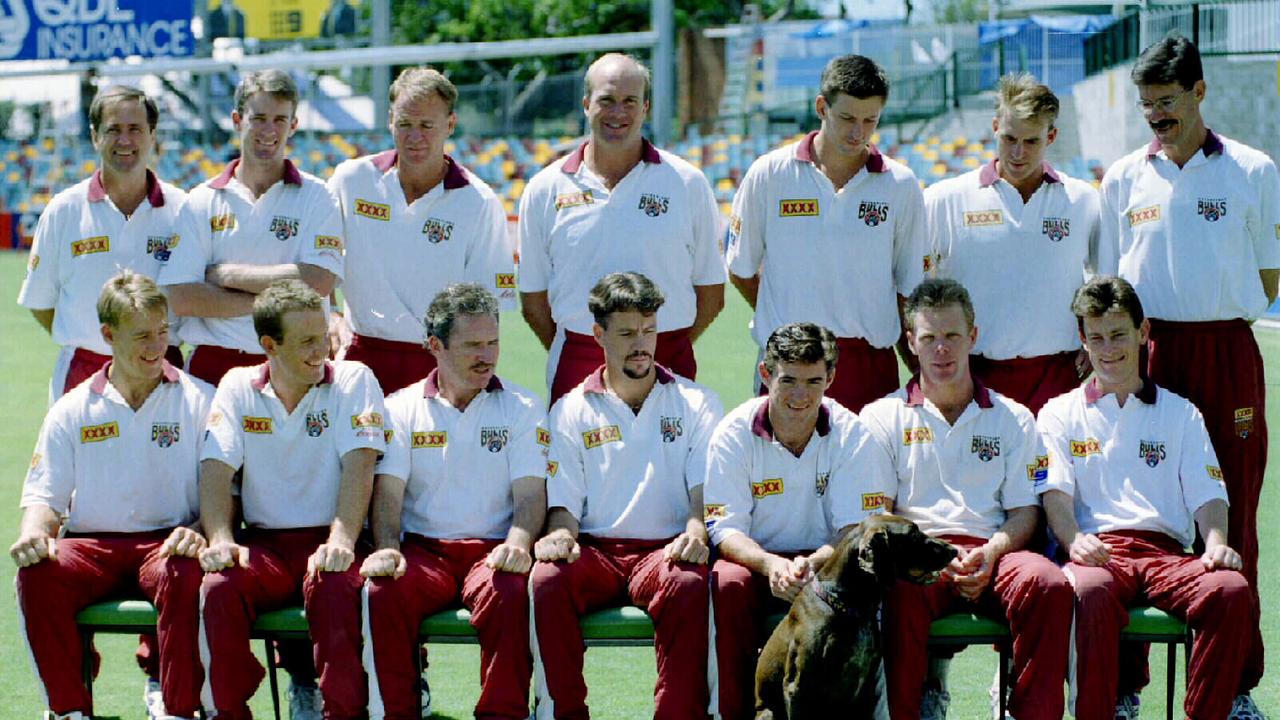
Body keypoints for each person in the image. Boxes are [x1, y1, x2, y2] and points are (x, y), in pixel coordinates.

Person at [1097, 35, 1275, 710]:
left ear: (1200, 91)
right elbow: (1109, 279)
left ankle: (1232, 688)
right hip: (1150, 356)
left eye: (1167, 103)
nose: (1155, 117)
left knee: (1232, 519)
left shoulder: (1252, 169)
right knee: (1138, 517)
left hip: (1226, 353)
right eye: (1146, 105)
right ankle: (1125, 686)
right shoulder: (1122, 177)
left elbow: (1267, 275)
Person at [1038, 275, 1257, 720]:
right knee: (1089, 589)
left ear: (1143, 333)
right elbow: (1054, 494)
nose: (1108, 348)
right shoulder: (1059, 412)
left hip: (1166, 555)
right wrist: (1073, 538)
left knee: (1230, 589)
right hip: (1099, 552)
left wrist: (1215, 545)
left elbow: (1209, 495)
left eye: (1119, 334)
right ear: (1082, 340)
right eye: (1096, 337)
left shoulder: (1181, 412)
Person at [860, 278, 1071, 720]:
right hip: (919, 556)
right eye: (930, 337)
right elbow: (879, 516)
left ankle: (1026, 710)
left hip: (995, 552)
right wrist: (935, 554)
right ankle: (910, 709)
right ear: (910, 342)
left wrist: (993, 551)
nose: (942, 349)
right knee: (896, 590)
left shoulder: (1013, 417)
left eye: (952, 336)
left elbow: (1024, 512)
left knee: (1047, 583)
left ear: (972, 337)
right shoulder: (880, 417)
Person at [13, 270, 212, 720]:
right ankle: (69, 710)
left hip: (168, 541)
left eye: (163, 332)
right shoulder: (72, 408)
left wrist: (200, 530)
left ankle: (177, 709)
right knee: (37, 574)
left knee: (187, 570)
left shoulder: (201, 399)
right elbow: (45, 497)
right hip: (91, 545)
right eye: (142, 335)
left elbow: (227, 494)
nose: (156, 346)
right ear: (108, 334)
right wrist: (34, 536)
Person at [531, 271, 723, 719]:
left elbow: (703, 494)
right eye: (626, 333)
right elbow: (564, 509)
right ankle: (565, 713)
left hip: (665, 550)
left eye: (649, 330)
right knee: (546, 579)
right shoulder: (570, 408)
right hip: (595, 552)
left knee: (689, 581)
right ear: (598, 334)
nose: (641, 344)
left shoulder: (697, 403)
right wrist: (560, 538)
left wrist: (696, 534)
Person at [196, 280, 385, 720]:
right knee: (218, 586)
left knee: (334, 584)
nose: (321, 349)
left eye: (323, 336)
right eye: (306, 342)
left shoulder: (354, 377)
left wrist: (341, 539)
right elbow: (215, 467)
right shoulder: (237, 384)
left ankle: (339, 710)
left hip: (335, 537)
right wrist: (221, 539)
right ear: (269, 345)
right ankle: (229, 711)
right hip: (267, 545)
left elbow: (361, 463)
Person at [360, 283, 545, 719]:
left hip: (494, 550)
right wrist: (387, 549)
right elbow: (388, 496)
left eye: (493, 342)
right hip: (425, 552)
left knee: (511, 590)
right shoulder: (401, 407)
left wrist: (518, 544)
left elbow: (531, 495)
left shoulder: (522, 406)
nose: (487, 355)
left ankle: (503, 714)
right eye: (473, 345)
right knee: (381, 590)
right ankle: (397, 711)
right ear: (435, 346)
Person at [703, 321, 896, 720]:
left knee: (871, 580)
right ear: (765, 374)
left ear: (831, 378)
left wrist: (813, 565)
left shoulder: (852, 434)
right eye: (788, 379)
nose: (799, 395)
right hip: (756, 564)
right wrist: (771, 565)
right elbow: (725, 529)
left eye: (813, 381)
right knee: (725, 582)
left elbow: (853, 531)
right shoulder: (732, 434)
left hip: (827, 567)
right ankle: (730, 710)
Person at [518, 53, 726, 404]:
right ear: (586, 104)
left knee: (670, 460)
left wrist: (653, 342)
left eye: (630, 101)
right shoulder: (544, 188)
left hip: (667, 357)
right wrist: (594, 341)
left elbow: (711, 293)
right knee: (575, 461)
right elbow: (534, 301)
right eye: (606, 100)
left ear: (645, 107)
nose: (618, 112)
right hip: (580, 356)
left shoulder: (687, 182)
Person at [725, 54, 926, 412]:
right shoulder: (769, 174)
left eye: (870, 121)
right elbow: (740, 269)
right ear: (822, 106)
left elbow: (907, 291)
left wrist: (918, 371)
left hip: (870, 367)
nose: (857, 132)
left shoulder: (901, 185)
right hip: (789, 361)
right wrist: (783, 318)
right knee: (782, 467)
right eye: (847, 117)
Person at [328, 66, 514, 394]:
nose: (415, 137)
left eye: (427, 125)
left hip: (439, 364)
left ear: (450, 124)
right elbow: (315, 256)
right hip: (359, 359)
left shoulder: (479, 201)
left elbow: (489, 303)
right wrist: (330, 313)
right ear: (390, 120)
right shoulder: (351, 180)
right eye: (405, 124)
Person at [924, 73, 1102, 414]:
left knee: (1053, 470)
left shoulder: (1082, 202)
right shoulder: (945, 200)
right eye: (1009, 138)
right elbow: (913, 287)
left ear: (1051, 136)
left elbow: (1107, 283)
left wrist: (1095, 340)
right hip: (974, 376)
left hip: (1058, 375)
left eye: (1032, 141)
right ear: (994, 127)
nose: (1018, 153)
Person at [161, 69, 345, 387]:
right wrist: (281, 303)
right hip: (214, 368)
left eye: (279, 120)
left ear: (293, 126)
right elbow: (182, 296)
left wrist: (225, 276)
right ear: (237, 120)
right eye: (258, 118)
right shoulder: (202, 200)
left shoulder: (318, 196)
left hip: (294, 363)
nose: (268, 130)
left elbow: (318, 282)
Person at [18, 85, 188, 403]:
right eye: (113, 130)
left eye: (135, 129)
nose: (125, 140)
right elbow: (41, 302)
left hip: (163, 371)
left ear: (153, 135)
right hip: (85, 372)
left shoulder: (183, 209)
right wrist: (89, 335)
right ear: (96, 136)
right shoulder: (64, 209)